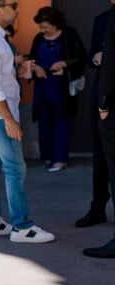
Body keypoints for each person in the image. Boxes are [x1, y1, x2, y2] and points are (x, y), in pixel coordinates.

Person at [0, 0, 55, 243]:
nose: (17, 9)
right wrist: (9, 119)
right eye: (13, 4)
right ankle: (22, 227)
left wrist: (17, 69)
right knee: (15, 168)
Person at [29, 7, 87, 172]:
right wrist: (36, 68)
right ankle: (47, 157)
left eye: (46, 27)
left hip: (61, 89)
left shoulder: (69, 34)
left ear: (56, 24)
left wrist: (64, 64)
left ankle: (60, 159)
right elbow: (32, 58)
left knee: (62, 124)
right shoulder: (39, 38)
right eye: (41, 27)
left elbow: (81, 58)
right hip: (43, 87)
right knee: (44, 123)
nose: (42, 30)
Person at [76, 0, 115, 228]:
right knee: (100, 157)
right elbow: (90, 57)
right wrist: (96, 58)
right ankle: (97, 208)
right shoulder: (100, 20)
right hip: (102, 95)